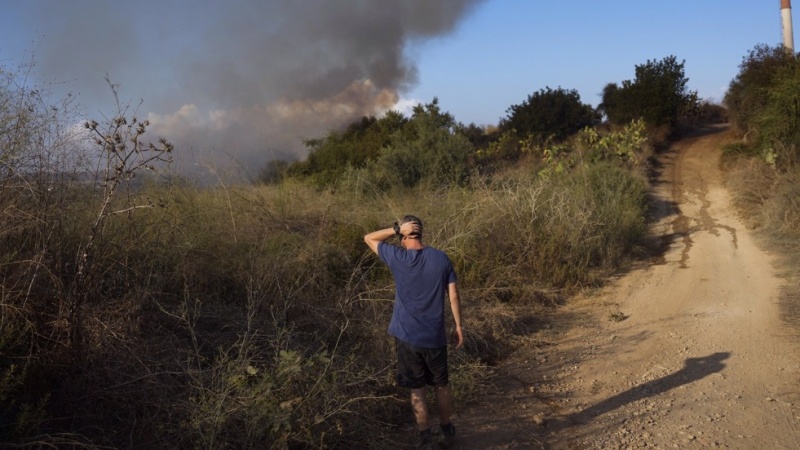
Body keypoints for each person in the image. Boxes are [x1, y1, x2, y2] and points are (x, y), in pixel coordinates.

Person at [364, 215, 464, 449]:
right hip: (435, 337)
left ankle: (425, 438)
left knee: (417, 389)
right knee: (441, 385)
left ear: (404, 236)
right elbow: (454, 295)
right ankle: (447, 429)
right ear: (422, 234)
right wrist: (458, 326)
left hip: (408, 337)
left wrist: (395, 228)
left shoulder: (398, 257)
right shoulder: (441, 258)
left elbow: (368, 237)